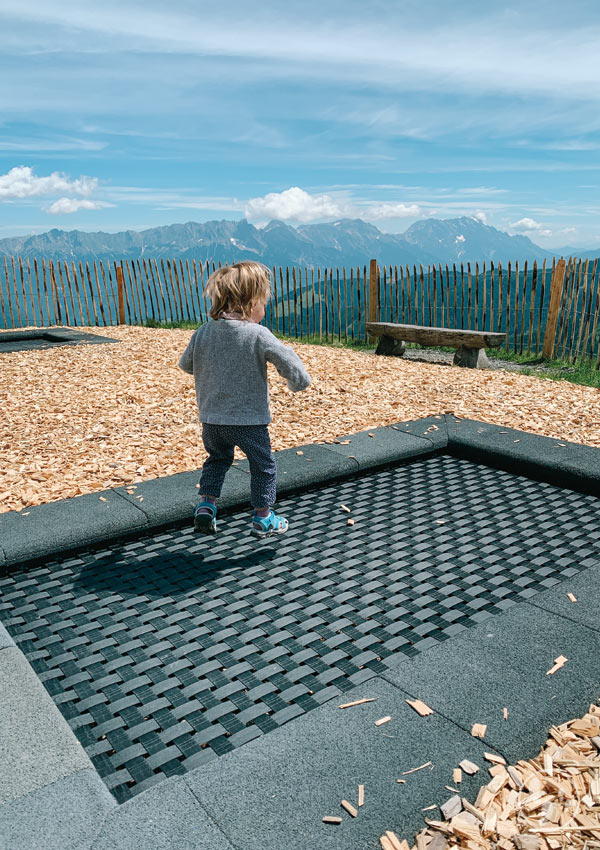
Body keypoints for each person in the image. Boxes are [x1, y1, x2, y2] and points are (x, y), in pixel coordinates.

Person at [178, 261, 311, 539]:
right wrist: (299, 382)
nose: (265, 308)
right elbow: (287, 359)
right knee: (263, 466)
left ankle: (206, 506)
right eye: (263, 302)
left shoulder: (204, 331)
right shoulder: (257, 334)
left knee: (216, 460)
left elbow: (186, 364)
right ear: (251, 302)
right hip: (249, 421)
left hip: (212, 420)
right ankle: (263, 517)